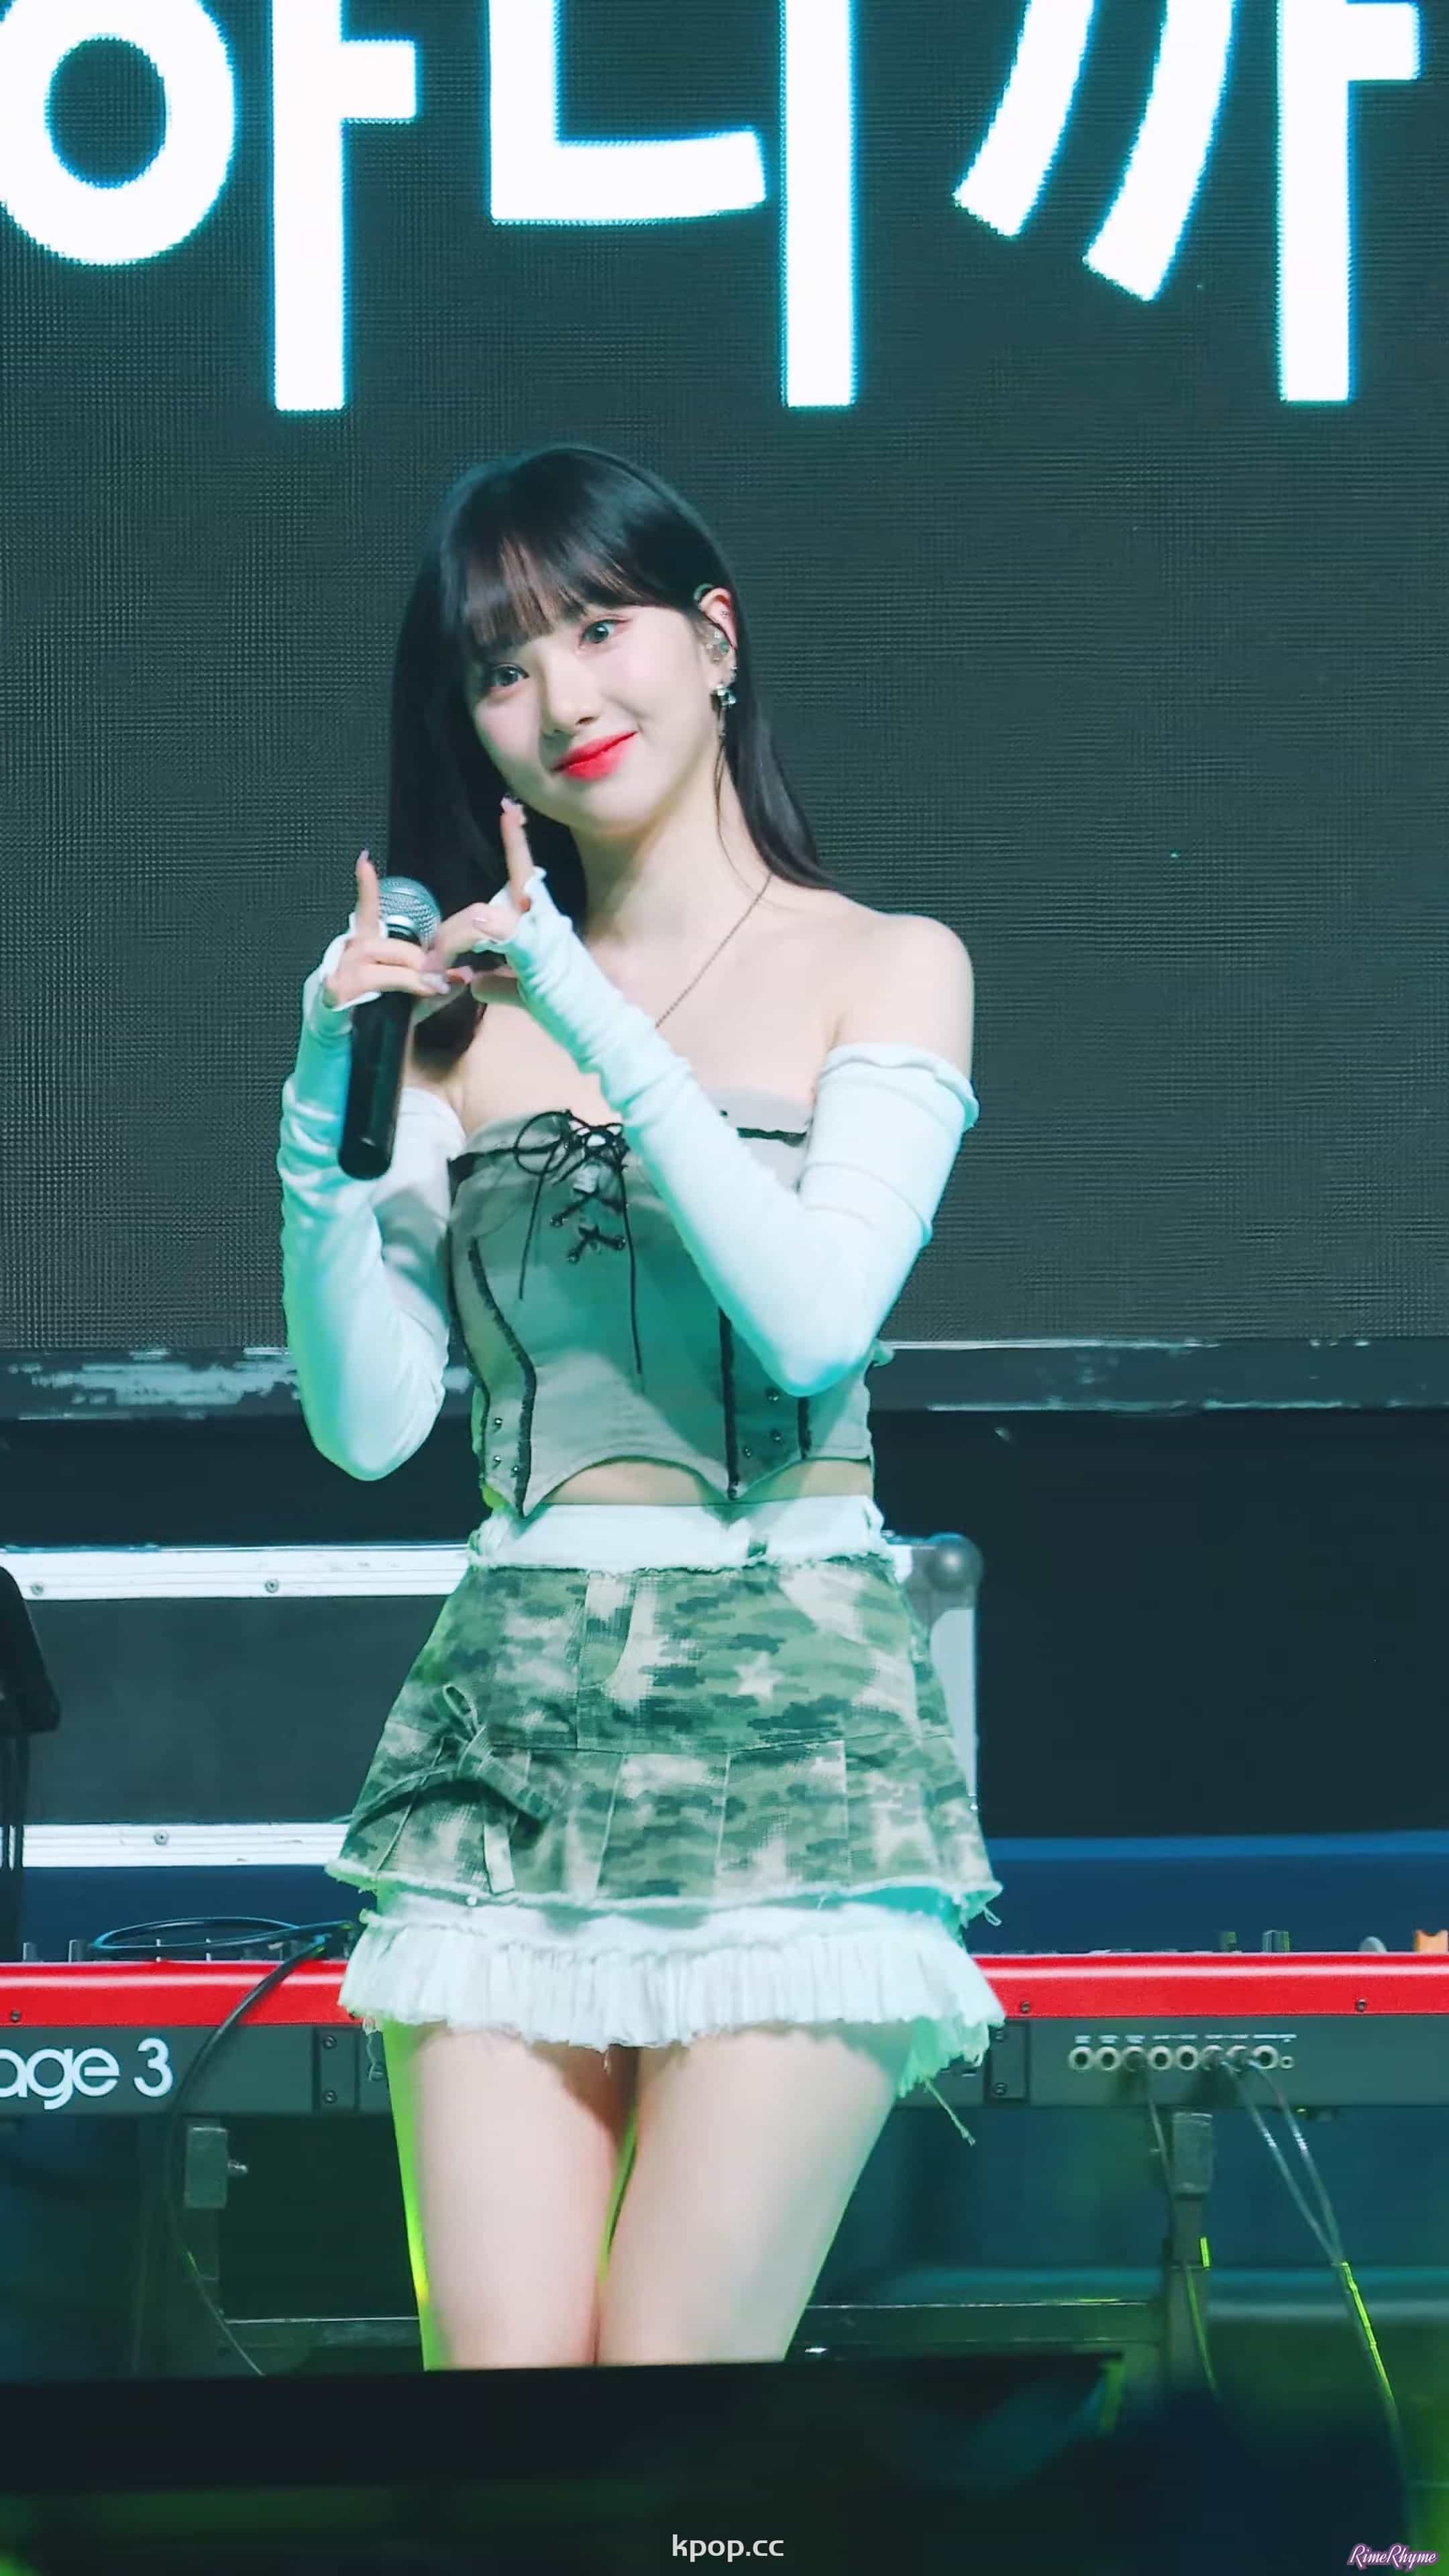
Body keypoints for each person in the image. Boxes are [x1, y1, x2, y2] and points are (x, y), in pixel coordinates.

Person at [277, 443, 1004, 2369]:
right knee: (503, 2415)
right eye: (503, 668)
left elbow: (813, 1322)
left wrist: (588, 1013)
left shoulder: (888, 968)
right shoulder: (453, 1023)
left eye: (600, 631)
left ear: (714, 640)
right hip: (507, 1722)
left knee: (677, 2407)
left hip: (792, 1720)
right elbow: (369, 1422)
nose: (562, 700)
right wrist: (321, 1109)